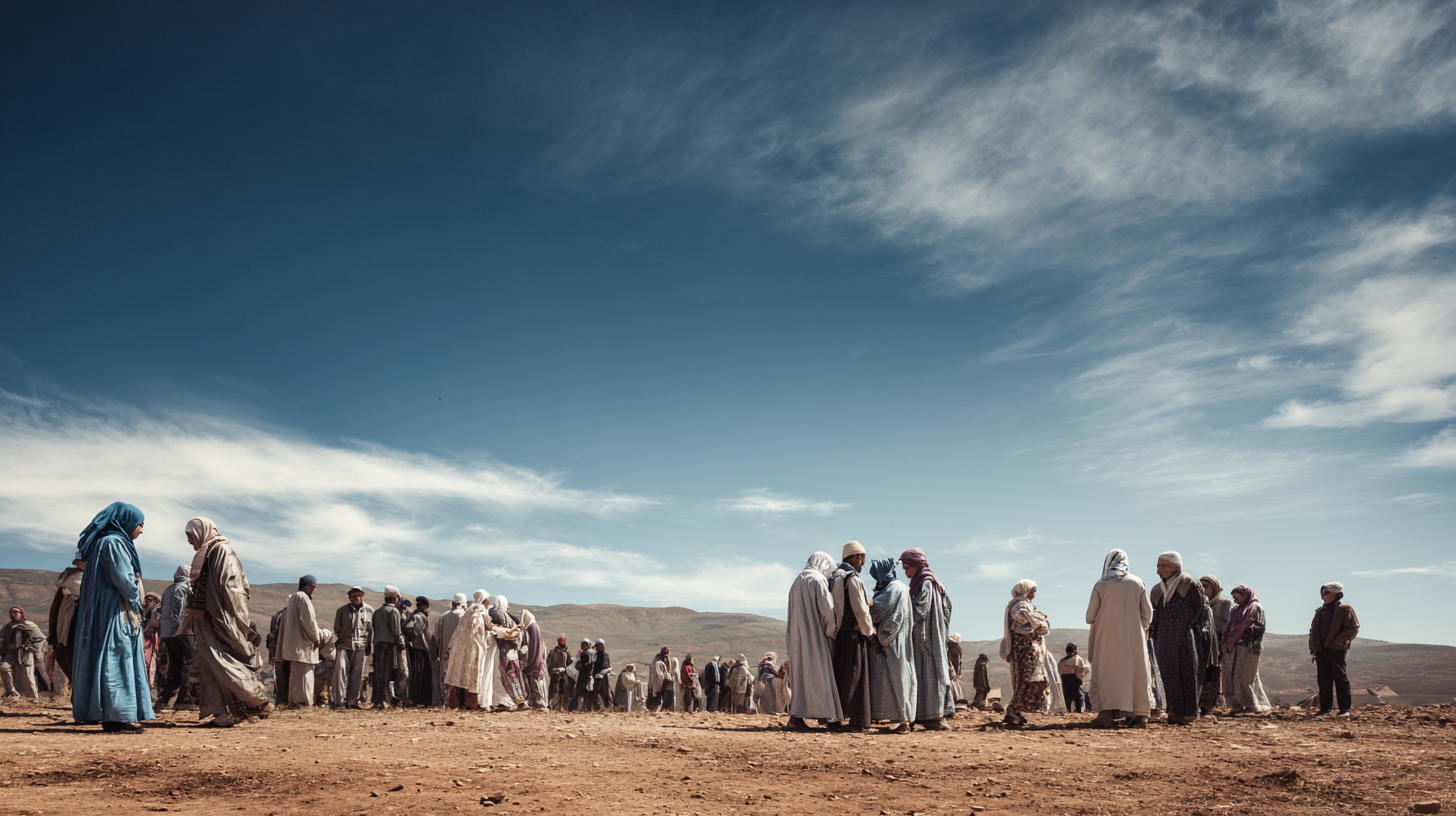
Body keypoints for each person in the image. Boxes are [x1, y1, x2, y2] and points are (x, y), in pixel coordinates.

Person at [182, 516, 273, 728]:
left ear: (202, 532)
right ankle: (220, 714)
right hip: (205, 621)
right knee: (210, 667)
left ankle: (257, 701)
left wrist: (229, 618)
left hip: (219, 620)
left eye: (190, 535)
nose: (188, 540)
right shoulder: (207, 553)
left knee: (222, 664)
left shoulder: (221, 551)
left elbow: (231, 588)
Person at [71, 502, 153, 732]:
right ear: (126, 522)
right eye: (140, 524)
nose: (142, 530)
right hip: (116, 611)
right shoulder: (115, 543)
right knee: (118, 657)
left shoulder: (101, 543)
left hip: (103, 609)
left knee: (109, 656)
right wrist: (136, 594)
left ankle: (111, 714)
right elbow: (123, 579)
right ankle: (120, 716)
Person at [1085, 550, 1152, 727]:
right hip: (1134, 635)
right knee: (1136, 671)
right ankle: (1139, 715)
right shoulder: (1138, 582)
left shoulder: (1101, 585)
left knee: (1109, 671)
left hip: (1106, 636)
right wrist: (1138, 626)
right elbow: (1148, 614)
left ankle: (1107, 713)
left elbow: (1089, 617)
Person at [1149, 551, 1212, 724]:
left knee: (1188, 672)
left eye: (1164, 566)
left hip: (1186, 636)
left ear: (1177, 567)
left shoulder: (1189, 584)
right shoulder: (1157, 590)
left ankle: (1190, 712)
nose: (1159, 570)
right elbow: (1156, 614)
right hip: (1164, 637)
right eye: (1158, 566)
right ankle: (1174, 711)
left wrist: (1190, 629)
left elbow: (1200, 609)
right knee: (1169, 674)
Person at [785, 552, 842, 731]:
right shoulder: (818, 580)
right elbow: (827, 610)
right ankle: (829, 717)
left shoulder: (796, 582)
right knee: (820, 674)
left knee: (800, 676)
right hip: (815, 635)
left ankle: (795, 717)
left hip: (797, 637)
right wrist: (832, 631)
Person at [900, 548, 954, 730]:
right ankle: (927, 715)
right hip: (931, 636)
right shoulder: (932, 582)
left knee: (929, 673)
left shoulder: (925, 583)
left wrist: (900, 611)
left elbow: (920, 610)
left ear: (916, 565)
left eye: (907, 567)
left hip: (925, 638)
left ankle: (933, 716)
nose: (905, 572)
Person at [829, 541, 875, 731]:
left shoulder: (834, 577)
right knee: (856, 676)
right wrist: (869, 631)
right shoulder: (852, 578)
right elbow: (860, 610)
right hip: (854, 635)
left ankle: (836, 717)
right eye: (861, 558)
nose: (863, 563)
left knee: (841, 675)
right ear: (854, 557)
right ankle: (856, 720)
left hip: (839, 635)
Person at [867, 558, 915, 733]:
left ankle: (903, 721)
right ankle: (903, 719)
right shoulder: (899, 586)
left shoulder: (893, 588)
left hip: (893, 640)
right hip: (899, 640)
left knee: (898, 679)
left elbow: (880, 608)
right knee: (900, 678)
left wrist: (867, 603)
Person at [1000, 579, 1050, 727]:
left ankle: (1017, 711)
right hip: (1024, 648)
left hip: (1028, 648)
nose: (1035, 593)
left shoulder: (1025, 605)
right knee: (1027, 680)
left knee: (1031, 679)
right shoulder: (1019, 606)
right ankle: (1013, 711)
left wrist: (1037, 618)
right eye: (1033, 590)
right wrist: (1039, 619)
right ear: (1026, 590)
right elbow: (1028, 620)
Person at [1308, 581, 1359, 718]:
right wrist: (1314, 647)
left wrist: (1338, 642)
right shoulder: (1320, 611)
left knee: (1340, 678)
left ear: (1334, 593)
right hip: (1321, 649)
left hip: (1337, 649)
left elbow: (1353, 627)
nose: (1323, 594)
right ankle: (1325, 708)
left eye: (1326, 592)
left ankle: (1345, 709)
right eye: (1322, 592)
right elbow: (1313, 630)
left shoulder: (1345, 609)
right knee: (1323, 679)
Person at [1222, 584, 1271, 713]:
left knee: (1244, 678)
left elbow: (1260, 628)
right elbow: (1230, 627)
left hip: (1249, 647)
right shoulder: (1235, 610)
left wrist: (1245, 630)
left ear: (1245, 595)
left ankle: (1251, 704)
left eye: (1237, 597)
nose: (1235, 600)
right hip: (1233, 648)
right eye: (1233, 598)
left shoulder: (1255, 607)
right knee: (1231, 677)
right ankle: (1236, 705)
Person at [443, 590, 495, 709]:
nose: (487, 603)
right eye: (487, 601)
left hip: (460, 648)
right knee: (473, 675)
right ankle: (471, 703)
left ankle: (456, 703)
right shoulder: (481, 611)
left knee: (459, 674)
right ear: (484, 600)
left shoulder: (468, 610)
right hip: (475, 647)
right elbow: (486, 628)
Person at [279, 575, 324, 707]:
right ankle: (303, 702)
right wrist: (316, 638)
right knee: (305, 676)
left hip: (293, 644)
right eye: (313, 587)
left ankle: (294, 701)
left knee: (296, 677)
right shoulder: (303, 598)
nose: (313, 590)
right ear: (309, 587)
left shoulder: (292, 598)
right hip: (303, 644)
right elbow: (308, 621)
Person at [157, 565, 196, 710]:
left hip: (167, 633)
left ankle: (165, 698)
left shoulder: (169, 590)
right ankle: (185, 699)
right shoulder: (185, 589)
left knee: (175, 663)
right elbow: (182, 610)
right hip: (182, 630)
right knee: (189, 662)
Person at [47, 553, 86, 693]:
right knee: (69, 656)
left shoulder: (86, 577)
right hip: (69, 621)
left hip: (74, 622)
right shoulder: (74, 578)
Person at [331, 587, 372, 710]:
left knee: (357, 675)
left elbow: (371, 631)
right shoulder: (342, 611)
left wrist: (369, 647)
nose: (356, 598)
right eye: (353, 596)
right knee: (341, 673)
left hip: (361, 646)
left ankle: (352, 702)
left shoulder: (369, 611)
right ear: (349, 597)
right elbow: (337, 628)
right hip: (344, 645)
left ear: (362, 596)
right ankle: (339, 702)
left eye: (359, 595)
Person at [1199, 575, 1232, 713]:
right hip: (1202, 641)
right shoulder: (1199, 603)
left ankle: (1211, 704)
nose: (1203, 590)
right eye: (1201, 586)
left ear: (1215, 588)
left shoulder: (1224, 603)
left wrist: (1209, 616)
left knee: (1213, 672)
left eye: (1206, 586)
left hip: (1217, 642)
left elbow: (1225, 623)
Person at [371, 585, 408, 708]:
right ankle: (386, 699)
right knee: (388, 673)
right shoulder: (393, 611)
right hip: (389, 645)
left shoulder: (377, 612)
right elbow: (396, 631)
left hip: (377, 644)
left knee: (379, 672)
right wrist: (401, 644)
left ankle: (378, 699)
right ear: (395, 598)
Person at [1, 607, 46, 701]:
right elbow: (2, 640)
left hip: (25, 653)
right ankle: (12, 693)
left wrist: (29, 647)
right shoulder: (7, 627)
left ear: (22, 613)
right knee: (4, 667)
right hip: (10, 654)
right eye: (11, 612)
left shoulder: (29, 625)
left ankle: (33, 697)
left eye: (16, 612)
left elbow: (41, 639)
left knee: (28, 675)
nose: (14, 614)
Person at [434, 593, 466, 707]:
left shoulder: (443, 617)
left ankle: (445, 702)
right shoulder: (464, 616)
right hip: (459, 652)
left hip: (444, 651)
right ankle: (457, 703)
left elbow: (436, 637)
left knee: (444, 676)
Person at [404, 596, 434, 707]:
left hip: (419, 649)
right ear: (425, 607)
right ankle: (418, 699)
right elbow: (412, 629)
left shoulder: (416, 616)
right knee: (419, 675)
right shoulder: (418, 617)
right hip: (418, 649)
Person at [518, 609, 548, 708]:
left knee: (536, 684)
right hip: (537, 660)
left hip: (534, 661)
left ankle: (539, 704)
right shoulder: (533, 627)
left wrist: (526, 659)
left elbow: (530, 645)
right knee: (535, 683)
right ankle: (536, 703)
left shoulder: (531, 628)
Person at [1057, 643, 1088, 713]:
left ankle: (1068, 710)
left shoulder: (1062, 661)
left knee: (1067, 697)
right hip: (1074, 679)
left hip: (1064, 679)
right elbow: (1080, 671)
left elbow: (1059, 671)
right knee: (1078, 696)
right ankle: (1079, 711)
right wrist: (1080, 679)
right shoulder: (1077, 659)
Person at [141, 592, 163, 688]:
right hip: (149, 638)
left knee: (148, 660)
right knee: (149, 660)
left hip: (148, 638)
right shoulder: (153, 611)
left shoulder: (148, 611)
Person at [546, 635, 572, 710]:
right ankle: (552, 705)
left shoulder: (559, 652)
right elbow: (549, 663)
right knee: (555, 690)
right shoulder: (556, 652)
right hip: (557, 674)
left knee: (559, 691)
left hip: (557, 674)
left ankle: (557, 705)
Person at [571, 639, 597, 711]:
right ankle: (581, 708)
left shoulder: (592, 654)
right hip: (583, 675)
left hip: (588, 675)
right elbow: (577, 664)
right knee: (581, 692)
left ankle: (587, 708)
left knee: (587, 691)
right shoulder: (581, 654)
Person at [649, 646, 674, 713]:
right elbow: (659, 675)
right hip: (660, 682)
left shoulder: (659, 662)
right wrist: (661, 684)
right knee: (658, 697)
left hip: (662, 681)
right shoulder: (658, 663)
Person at [591, 638, 613, 711]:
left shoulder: (605, 655)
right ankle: (600, 707)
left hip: (603, 676)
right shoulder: (595, 655)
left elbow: (607, 665)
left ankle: (607, 707)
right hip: (597, 676)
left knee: (604, 692)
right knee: (598, 692)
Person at [947, 634, 966, 707]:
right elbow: (957, 664)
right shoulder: (955, 650)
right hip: (952, 672)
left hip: (951, 671)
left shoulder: (949, 649)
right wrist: (958, 674)